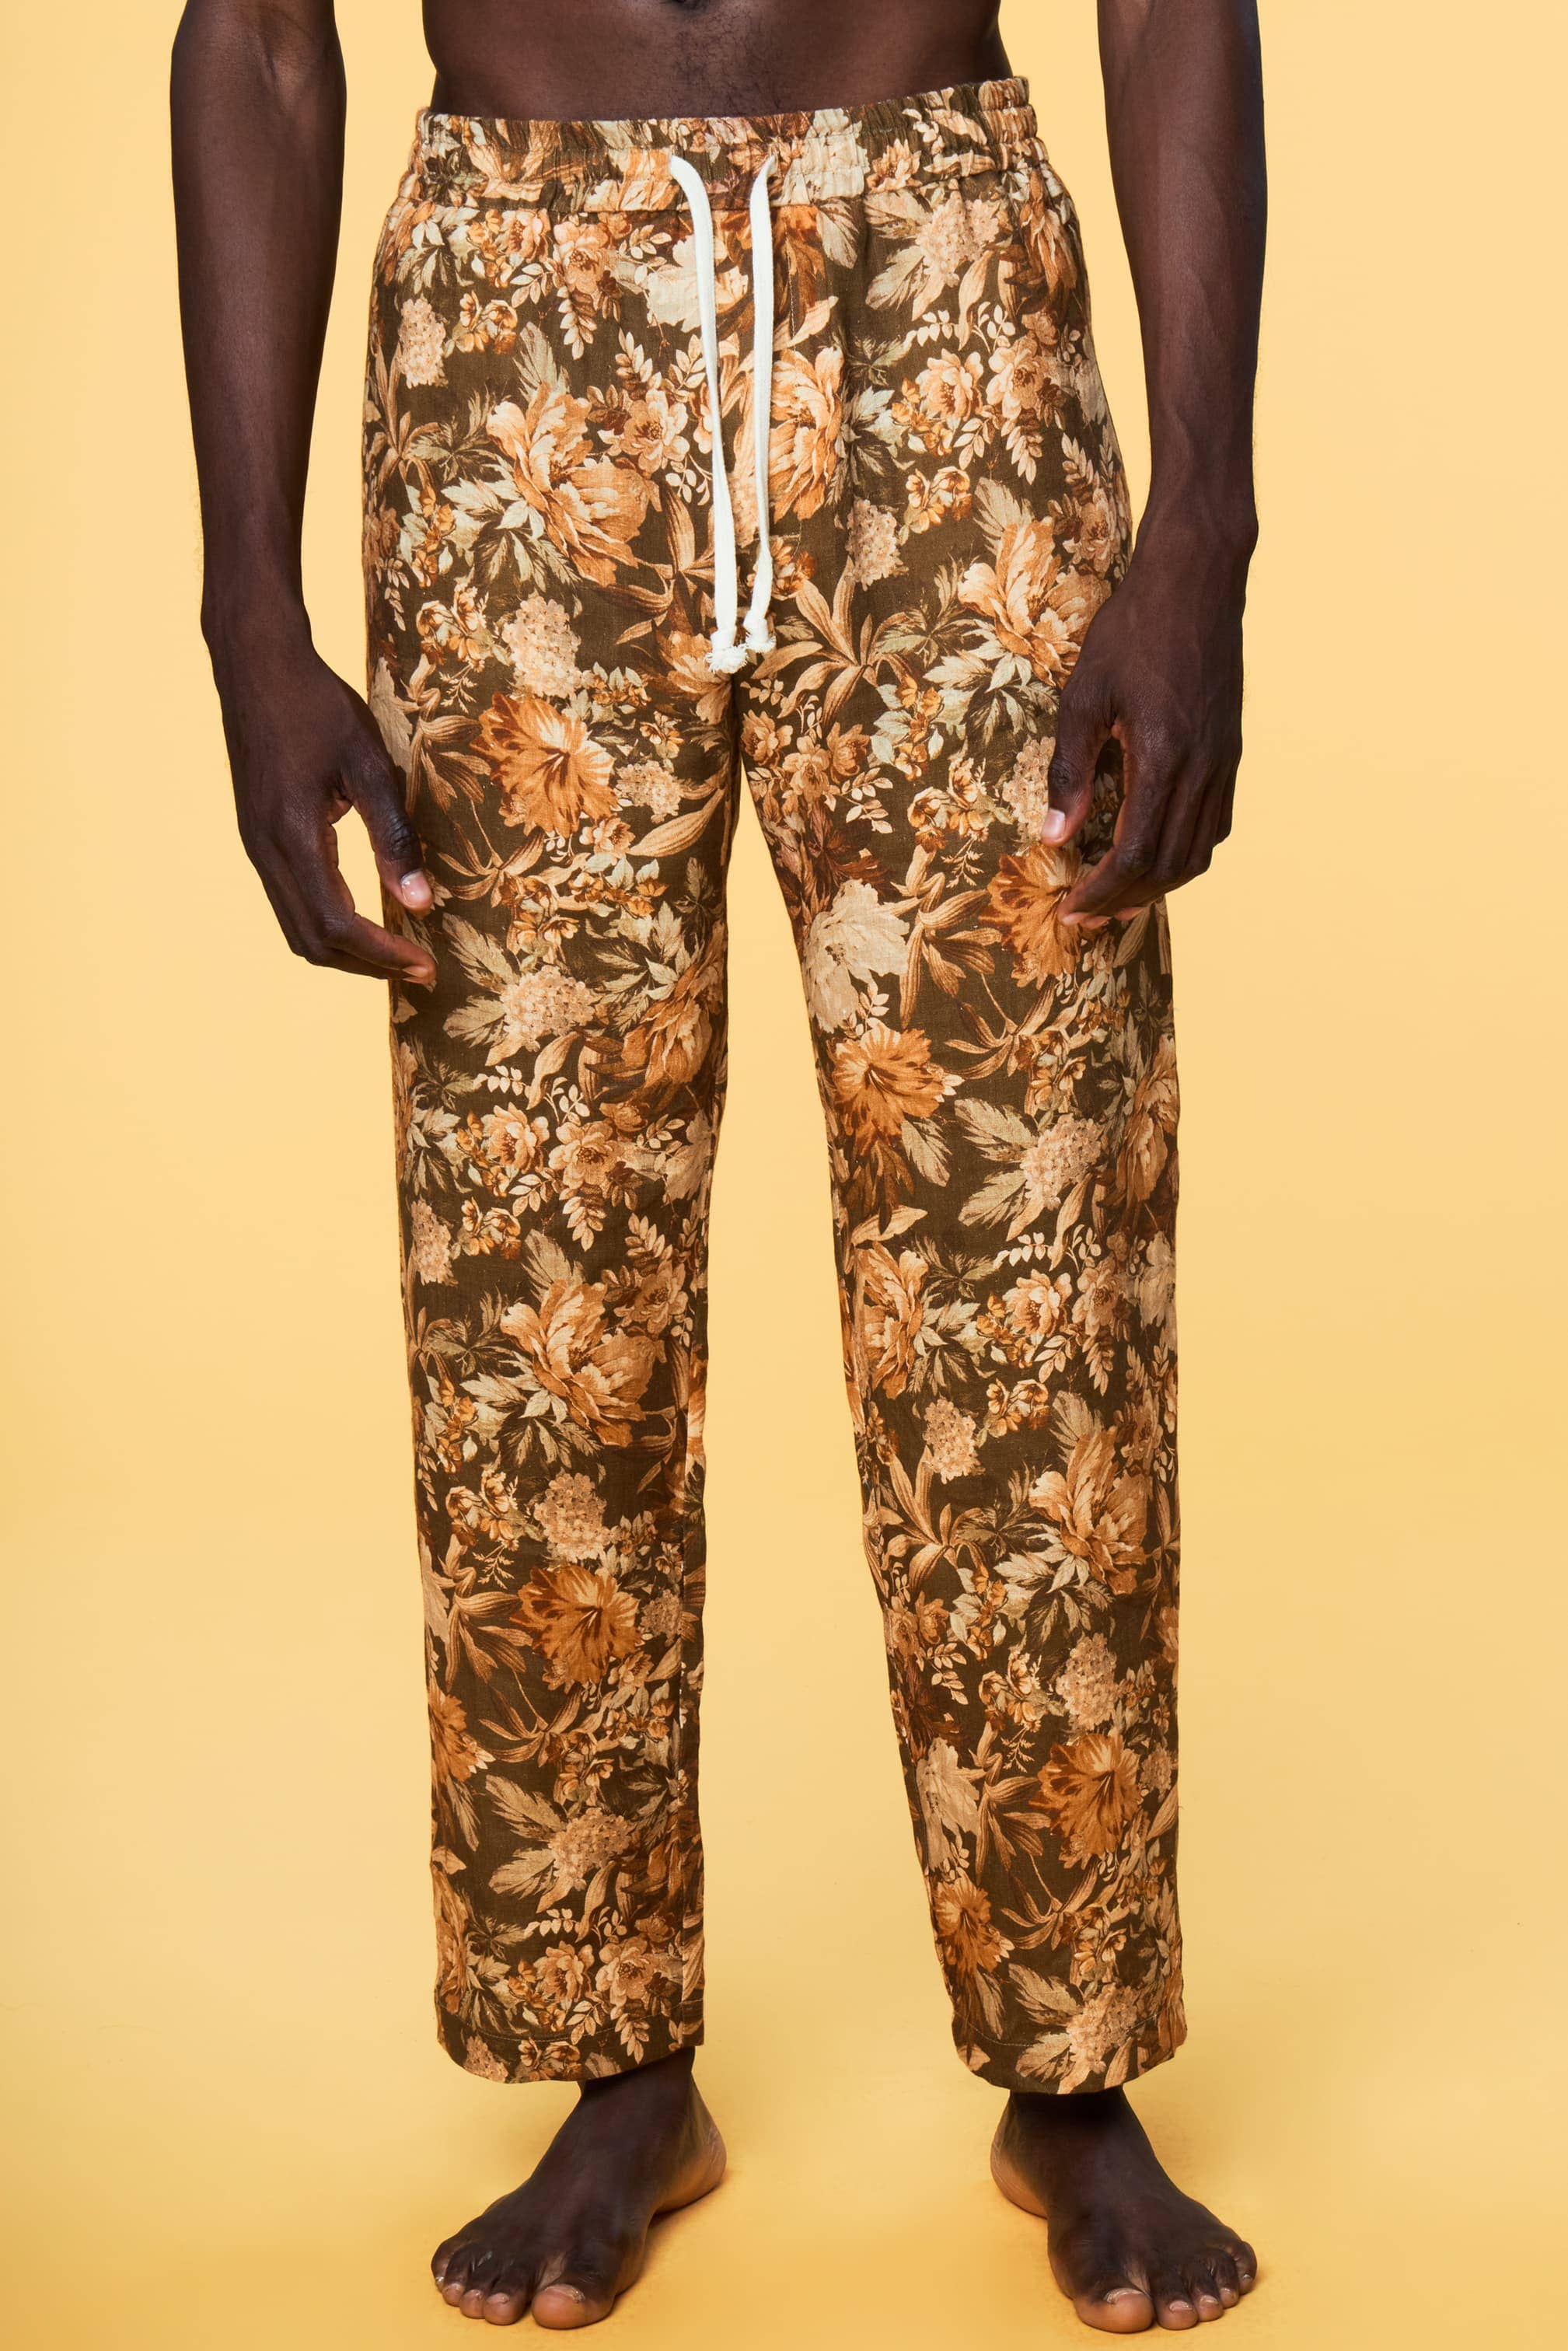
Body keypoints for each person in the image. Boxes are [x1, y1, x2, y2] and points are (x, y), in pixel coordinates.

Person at [172, 0, 1265, 2331]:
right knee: (536, 1261)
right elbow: (255, 36)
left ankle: (1069, 2066)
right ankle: (612, 2065)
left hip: (940, 299)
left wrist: (1204, 522)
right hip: (515, 339)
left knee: (1030, 1245)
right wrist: (246, 608)